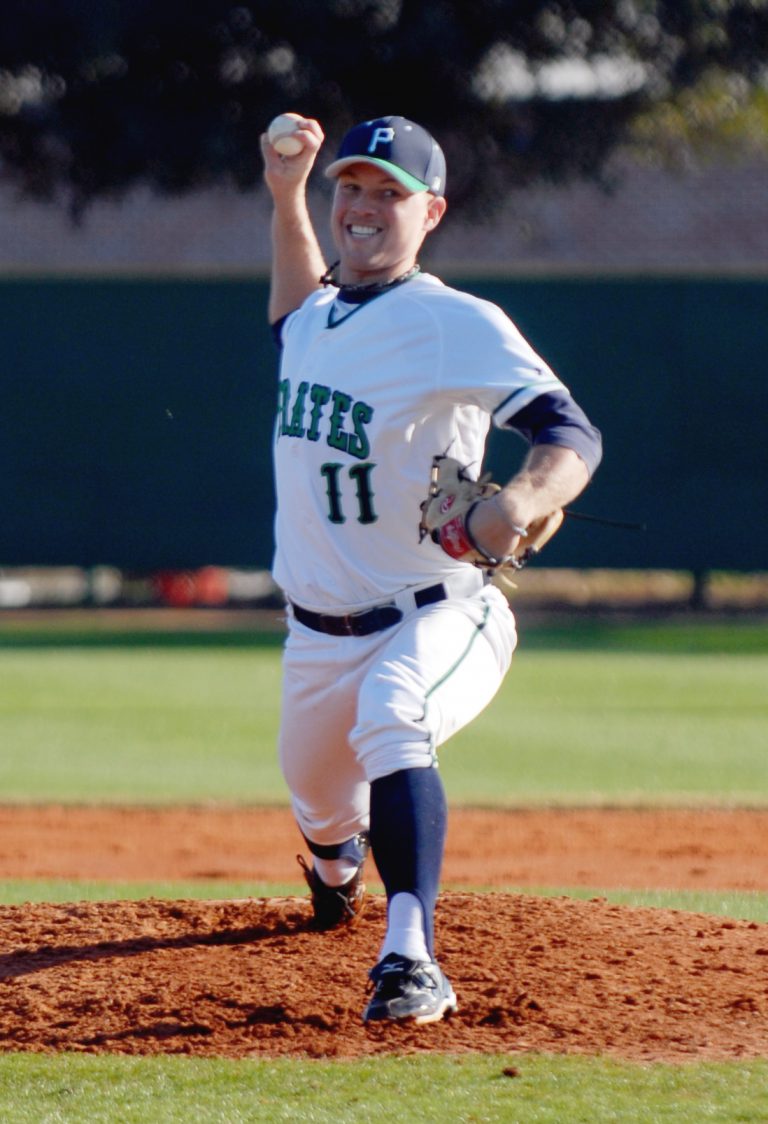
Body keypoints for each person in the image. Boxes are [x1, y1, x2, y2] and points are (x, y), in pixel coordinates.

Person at [260, 114, 602, 1025]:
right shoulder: (321, 317)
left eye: (390, 193)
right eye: (353, 189)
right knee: (323, 814)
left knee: (395, 714)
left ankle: (411, 958)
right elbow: (294, 315)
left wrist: (519, 503)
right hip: (315, 633)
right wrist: (286, 193)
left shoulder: (453, 321)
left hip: (435, 610)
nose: (364, 208)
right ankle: (340, 872)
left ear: (433, 211)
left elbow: (570, 434)